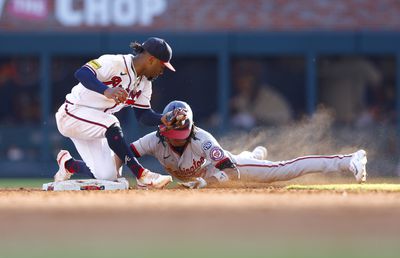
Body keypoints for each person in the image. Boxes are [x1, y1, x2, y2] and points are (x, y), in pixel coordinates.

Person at [125, 100, 367, 189]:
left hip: (225, 168)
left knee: (280, 170)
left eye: (183, 132)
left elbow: (231, 170)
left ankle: (348, 160)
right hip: (202, 177)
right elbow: (125, 153)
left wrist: (207, 181)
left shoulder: (202, 139)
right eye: (175, 132)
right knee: (250, 160)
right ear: (164, 128)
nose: (179, 137)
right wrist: (130, 173)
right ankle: (253, 154)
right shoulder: (154, 140)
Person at [53, 37, 185, 189]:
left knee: (108, 176)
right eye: (162, 66)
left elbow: (143, 116)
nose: (162, 71)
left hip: (95, 124)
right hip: (72, 114)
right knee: (111, 122)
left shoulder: (144, 84)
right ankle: (142, 174)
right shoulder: (116, 62)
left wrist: (163, 119)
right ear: (151, 59)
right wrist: (106, 90)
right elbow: (82, 73)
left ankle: (68, 164)